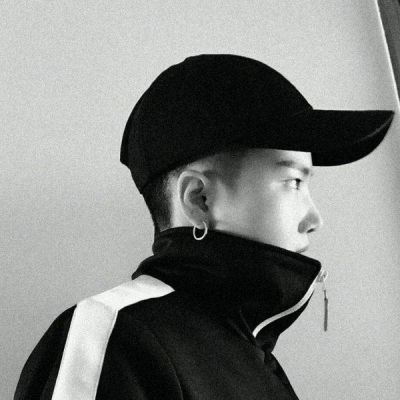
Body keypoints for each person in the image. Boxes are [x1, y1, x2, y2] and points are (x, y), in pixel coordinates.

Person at [14, 54, 394, 400]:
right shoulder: (115, 335)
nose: (314, 219)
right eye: (293, 182)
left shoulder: (252, 355)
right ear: (200, 199)